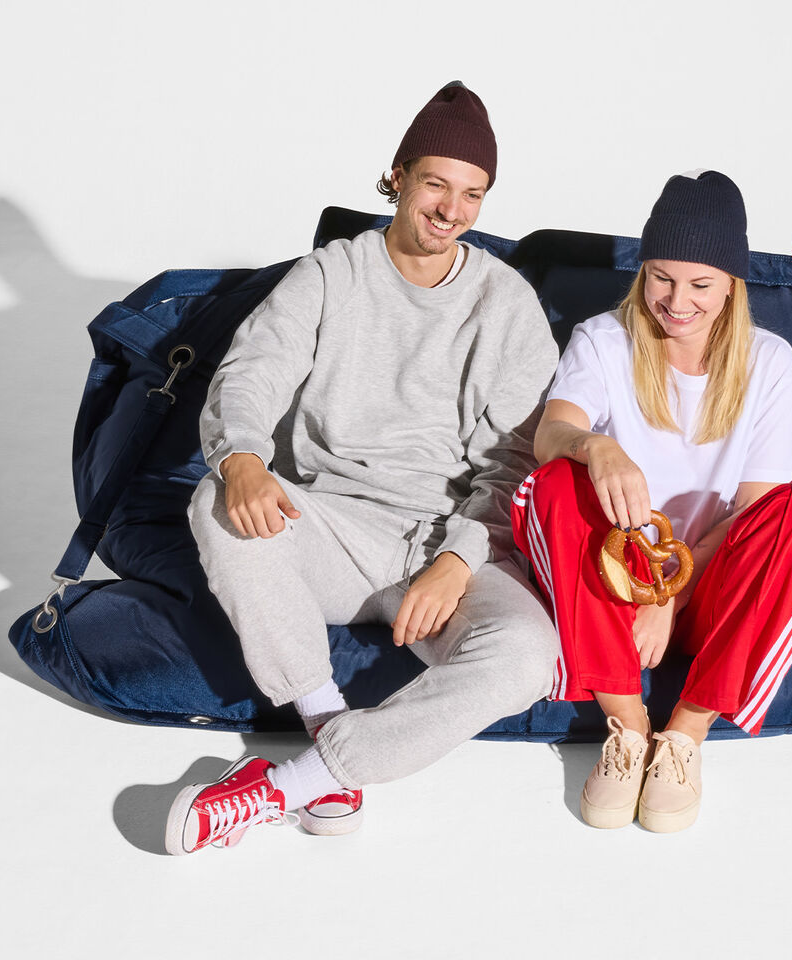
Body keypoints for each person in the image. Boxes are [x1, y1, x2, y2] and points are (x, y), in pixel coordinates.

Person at [166, 81, 559, 855]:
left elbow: (516, 462)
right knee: (216, 502)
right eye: (436, 184)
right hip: (334, 527)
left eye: (472, 194)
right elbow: (251, 374)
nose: (451, 209)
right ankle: (321, 718)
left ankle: (300, 781)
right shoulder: (330, 275)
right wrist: (242, 458)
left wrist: (456, 561)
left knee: (527, 658)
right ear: (399, 176)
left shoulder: (507, 304)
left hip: (449, 546)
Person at [510, 171, 792, 833]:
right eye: (662, 278)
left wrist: (669, 596)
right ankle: (627, 727)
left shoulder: (769, 359)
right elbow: (552, 434)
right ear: (643, 273)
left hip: (714, 587)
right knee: (554, 481)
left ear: (731, 285)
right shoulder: (603, 338)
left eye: (700, 284)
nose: (677, 301)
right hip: (613, 586)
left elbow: (759, 508)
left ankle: (684, 737)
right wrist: (593, 446)